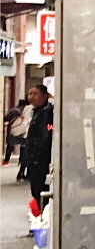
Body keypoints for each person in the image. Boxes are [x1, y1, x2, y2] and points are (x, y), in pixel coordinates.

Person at [19, 81, 52, 209]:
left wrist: (36, 155)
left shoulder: (47, 112)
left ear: (44, 96)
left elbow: (47, 132)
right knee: (35, 190)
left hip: (40, 159)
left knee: (39, 189)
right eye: (30, 94)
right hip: (34, 158)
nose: (31, 96)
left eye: (35, 94)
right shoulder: (36, 111)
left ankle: (43, 214)